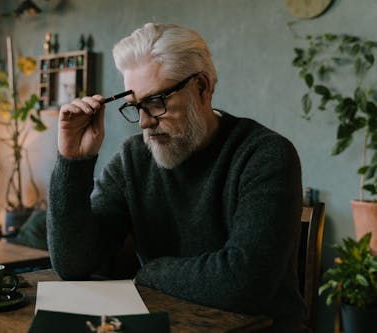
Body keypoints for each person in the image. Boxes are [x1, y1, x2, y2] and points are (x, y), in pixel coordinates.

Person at [47, 23, 307, 332]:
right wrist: (73, 162)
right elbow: (73, 264)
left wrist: (151, 272)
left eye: (156, 102)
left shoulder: (264, 154)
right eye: (136, 106)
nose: (144, 122)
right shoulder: (133, 159)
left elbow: (245, 283)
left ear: (202, 87)